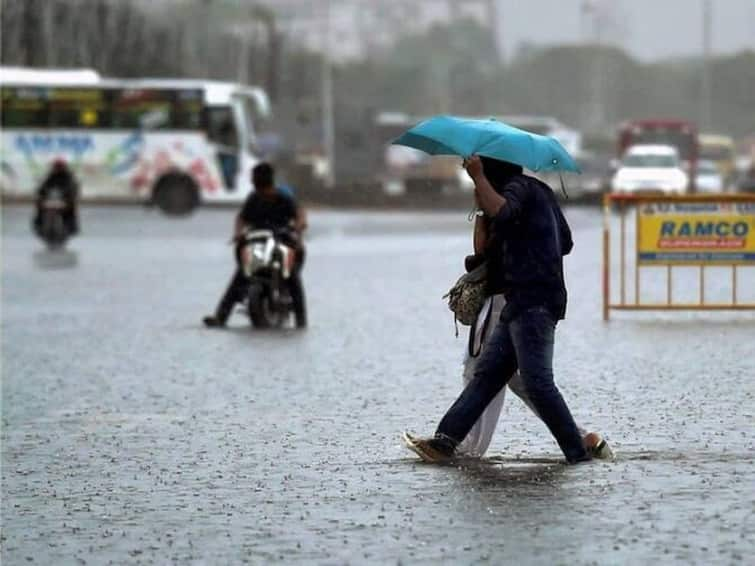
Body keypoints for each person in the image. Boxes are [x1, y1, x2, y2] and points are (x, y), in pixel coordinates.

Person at [406, 155, 602, 464]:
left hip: (534, 302)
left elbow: (504, 210)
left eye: (484, 170)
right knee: (486, 377)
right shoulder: (538, 193)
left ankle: (578, 451)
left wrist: (478, 177)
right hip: (520, 301)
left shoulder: (518, 190)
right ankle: (444, 442)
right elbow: (563, 242)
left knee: (537, 383)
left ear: (491, 170)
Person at [202, 162, 307, 329]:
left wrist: (298, 226)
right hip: (258, 244)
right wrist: (238, 233)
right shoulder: (253, 199)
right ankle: (221, 317)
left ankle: (301, 320)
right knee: (241, 274)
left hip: (280, 242)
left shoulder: (284, 198)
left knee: (292, 275)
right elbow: (241, 217)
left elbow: (299, 214)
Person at [33, 159, 80, 235]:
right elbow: (43, 186)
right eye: (56, 167)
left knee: (71, 207)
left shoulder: (69, 177)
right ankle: (38, 224)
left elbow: (73, 187)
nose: (57, 169)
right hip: (51, 198)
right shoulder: (51, 176)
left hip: (65, 198)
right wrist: (40, 194)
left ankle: (72, 226)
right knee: (39, 205)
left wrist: (70, 195)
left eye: (59, 167)